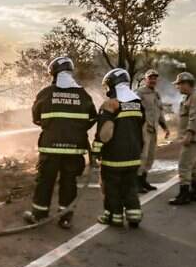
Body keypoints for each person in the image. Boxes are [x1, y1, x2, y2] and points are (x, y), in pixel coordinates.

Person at [23, 56, 97, 229]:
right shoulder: (83, 94)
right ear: (70, 73)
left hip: (50, 148)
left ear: (54, 74)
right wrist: (76, 129)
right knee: (69, 181)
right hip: (75, 148)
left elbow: (36, 118)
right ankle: (65, 218)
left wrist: (53, 126)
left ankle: (39, 215)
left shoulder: (46, 93)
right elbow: (92, 118)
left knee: (45, 181)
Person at [92, 68, 145, 227]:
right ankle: (134, 216)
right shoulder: (137, 104)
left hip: (114, 158)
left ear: (113, 85)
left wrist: (95, 151)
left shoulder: (110, 105)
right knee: (130, 187)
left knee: (112, 188)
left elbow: (104, 133)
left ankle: (114, 217)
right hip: (134, 155)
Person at [169, 72, 196, 205]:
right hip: (193, 137)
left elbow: (195, 117)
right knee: (193, 164)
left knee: (184, 165)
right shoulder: (190, 97)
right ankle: (194, 192)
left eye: (179, 84)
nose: (178, 87)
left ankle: (184, 194)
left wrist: (189, 134)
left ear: (186, 83)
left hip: (193, 137)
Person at [135, 69, 170, 193]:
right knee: (142, 155)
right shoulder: (139, 93)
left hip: (153, 128)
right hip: (143, 128)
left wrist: (165, 127)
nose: (153, 80)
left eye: (155, 78)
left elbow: (159, 113)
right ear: (145, 79)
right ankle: (137, 182)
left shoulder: (156, 94)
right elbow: (134, 111)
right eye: (150, 78)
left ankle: (143, 180)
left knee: (150, 156)